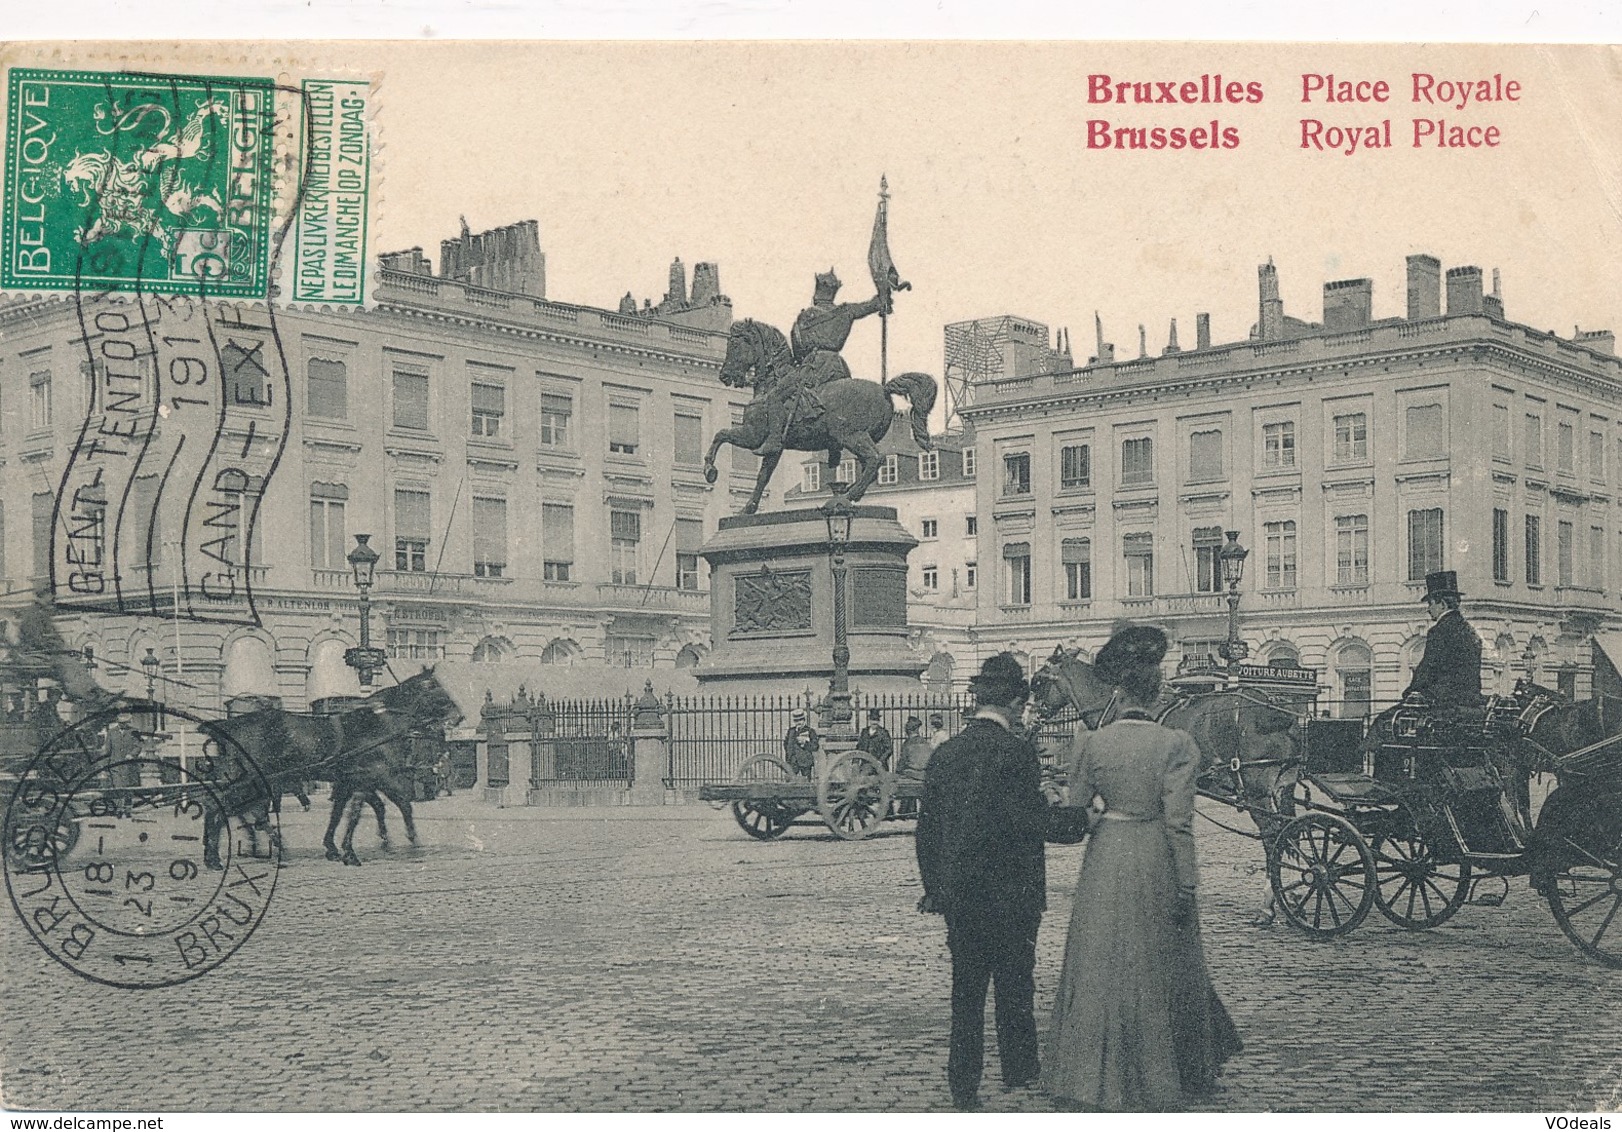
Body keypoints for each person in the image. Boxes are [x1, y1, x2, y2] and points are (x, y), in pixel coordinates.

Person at [1045, 625, 1241, 1111]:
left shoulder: (1091, 743)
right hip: (1155, 851)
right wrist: (1188, 881)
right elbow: (1180, 825)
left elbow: (1078, 811)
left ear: (1118, 691)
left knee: (1100, 958)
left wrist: (1098, 816)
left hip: (1107, 853)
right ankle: (1175, 1069)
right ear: (1158, 694)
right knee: (1164, 959)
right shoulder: (1176, 745)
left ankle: (1087, 1073)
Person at [915, 653, 1047, 1111]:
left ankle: (963, 1084)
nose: (1022, 713)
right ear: (1013, 702)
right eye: (1021, 705)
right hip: (1014, 892)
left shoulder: (947, 752)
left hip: (962, 895)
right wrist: (1075, 820)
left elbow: (927, 828)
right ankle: (1019, 1071)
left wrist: (935, 887)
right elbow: (1029, 821)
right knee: (1016, 985)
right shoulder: (1017, 751)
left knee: (966, 991)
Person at [756, 269, 892, 458]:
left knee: (775, 396)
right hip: (838, 367)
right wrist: (883, 297)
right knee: (839, 408)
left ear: (816, 292)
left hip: (813, 365)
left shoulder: (807, 315)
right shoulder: (846, 311)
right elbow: (871, 305)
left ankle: (773, 440)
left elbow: (798, 346)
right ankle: (834, 448)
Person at [1404, 570, 1484, 710]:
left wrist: (1409, 692)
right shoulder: (1471, 631)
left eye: (1431, 603)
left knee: (1384, 721)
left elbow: (1427, 668)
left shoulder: (1438, 631)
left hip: (1443, 702)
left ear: (1442, 604)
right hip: (1470, 701)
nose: (1428, 609)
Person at [782, 709, 820, 777]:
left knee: (806, 783)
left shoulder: (810, 731)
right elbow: (786, 744)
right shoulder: (791, 731)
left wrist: (805, 743)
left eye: (800, 720)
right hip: (792, 762)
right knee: (790, 781)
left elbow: (815, 746)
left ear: (804, 720)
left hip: (805, 762)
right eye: (796, 721)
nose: (798, 722)